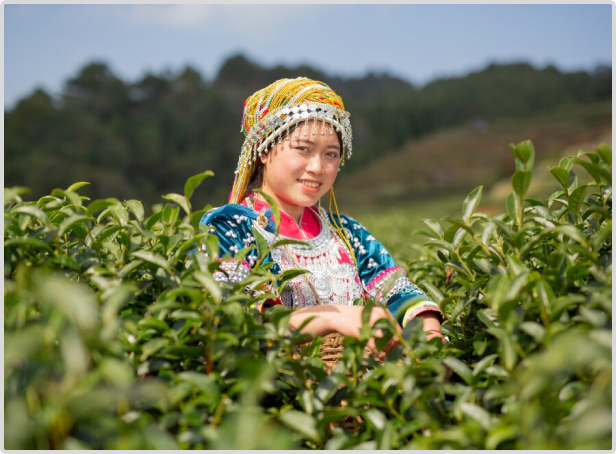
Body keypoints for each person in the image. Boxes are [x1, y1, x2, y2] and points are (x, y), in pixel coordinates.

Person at [199, 77, 444, 359]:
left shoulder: (347, 232)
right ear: (264, 150)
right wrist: (332, 317)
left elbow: (400, 292)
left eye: (331, 154)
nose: (318, 167)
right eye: (303, 149)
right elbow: (229, 311)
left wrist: (430, 334)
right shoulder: (232, 225)